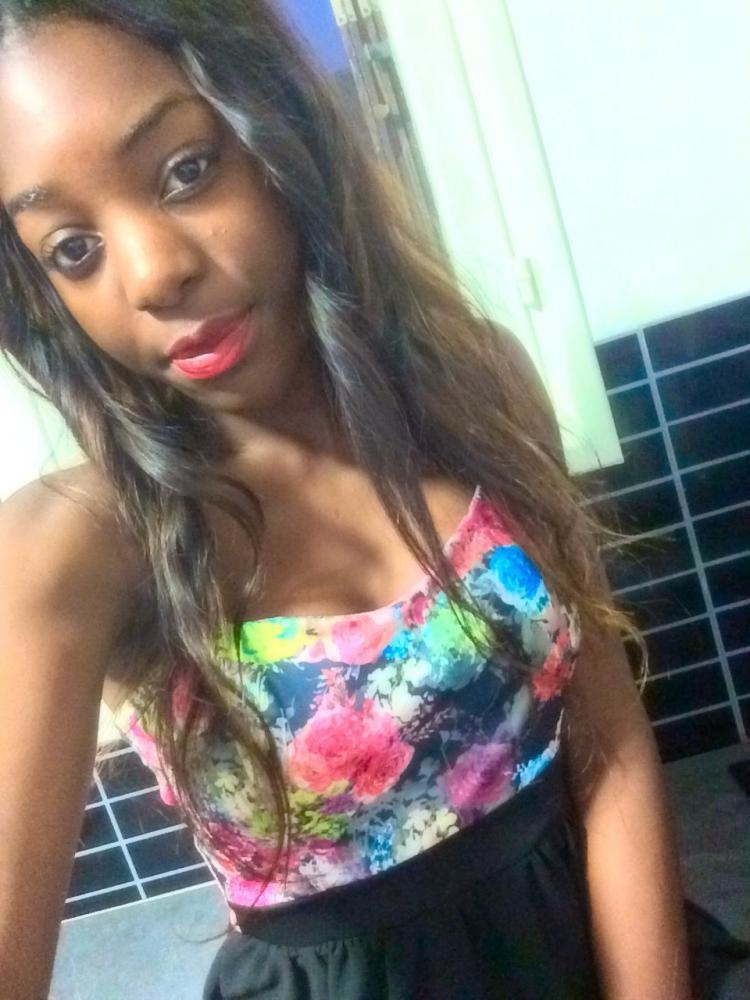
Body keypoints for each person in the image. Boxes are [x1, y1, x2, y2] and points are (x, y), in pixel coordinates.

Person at [0, 2, 705, 997]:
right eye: (73, 248)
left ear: (277, 131)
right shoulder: (77, 545)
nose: (155, 273)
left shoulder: (475, 384)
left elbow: (606, 742)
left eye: (186, 170)